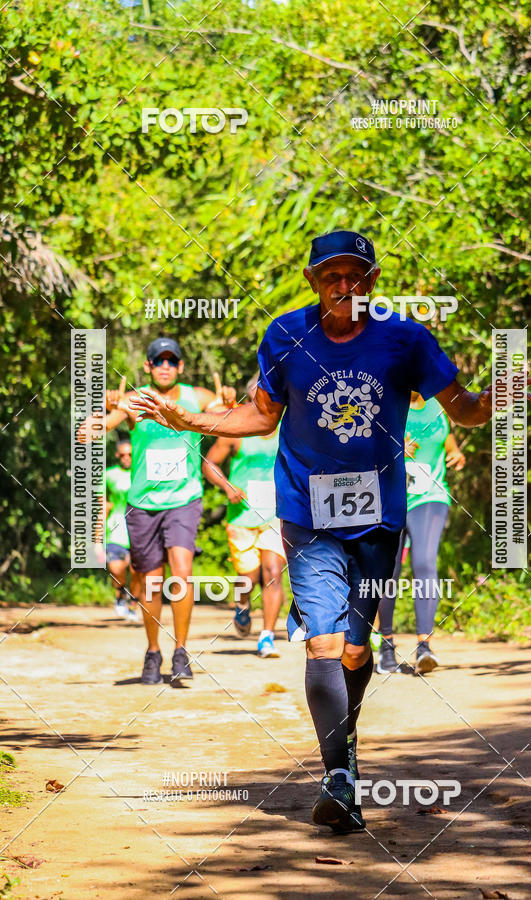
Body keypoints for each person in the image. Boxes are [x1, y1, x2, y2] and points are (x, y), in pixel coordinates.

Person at [130, 230, 495, 833]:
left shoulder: (405, 338)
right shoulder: (285, 336)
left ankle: (345, 743)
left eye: (356, 276)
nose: (344, 286)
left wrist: (498, 397)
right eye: (332, 276)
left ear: (372, 282)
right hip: (308, 512)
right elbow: (262, 413)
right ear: (314, 281)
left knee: (356, 647)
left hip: (380, 516)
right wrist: (190, 418)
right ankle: (338, 777)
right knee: (322, 641)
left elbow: (463, 408)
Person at [78, 337, 235, 685]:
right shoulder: (135, 400)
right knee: (150, 583)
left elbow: (230, 413)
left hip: (184, 500)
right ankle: (153, 651)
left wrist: (228, 398)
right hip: (143, 504)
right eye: (157, 361)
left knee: (182, 571)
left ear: (180, 366)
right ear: (147, 366)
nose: (164, 366)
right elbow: (111, 420)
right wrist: (94, 425)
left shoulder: (197, 397)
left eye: (171, 360)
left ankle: (181, 650)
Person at [375, 392, 465, 675]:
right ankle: (386, 646)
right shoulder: (384, 403)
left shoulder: (439, 406)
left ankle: (424, 645)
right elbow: (359, 447)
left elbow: (444, 440)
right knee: (388, 571)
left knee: (425, 562)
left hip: (430, 496)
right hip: (389, 498)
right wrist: (394, 447)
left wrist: (455, 453)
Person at [202, 378, 286, 658]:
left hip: (276, 514)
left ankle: (267, 636)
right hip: (242, 516)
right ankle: (242, 604)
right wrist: (227, 486)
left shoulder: (286, 428)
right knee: (248, 578)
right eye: (256, 397)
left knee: (273, 571)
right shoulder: (236, 431)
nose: (262, 402)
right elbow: (209, 464)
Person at [104, 437, 141, 622]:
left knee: (137, 571)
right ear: (118, 455)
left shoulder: (142, 472)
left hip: (139, 526)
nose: (127, 458)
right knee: (116, 568)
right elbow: (104, 503)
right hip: (116, 527)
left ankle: (133, 603)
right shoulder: (109, 475)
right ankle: (120, 593)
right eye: (123, 454)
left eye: (130, 454)